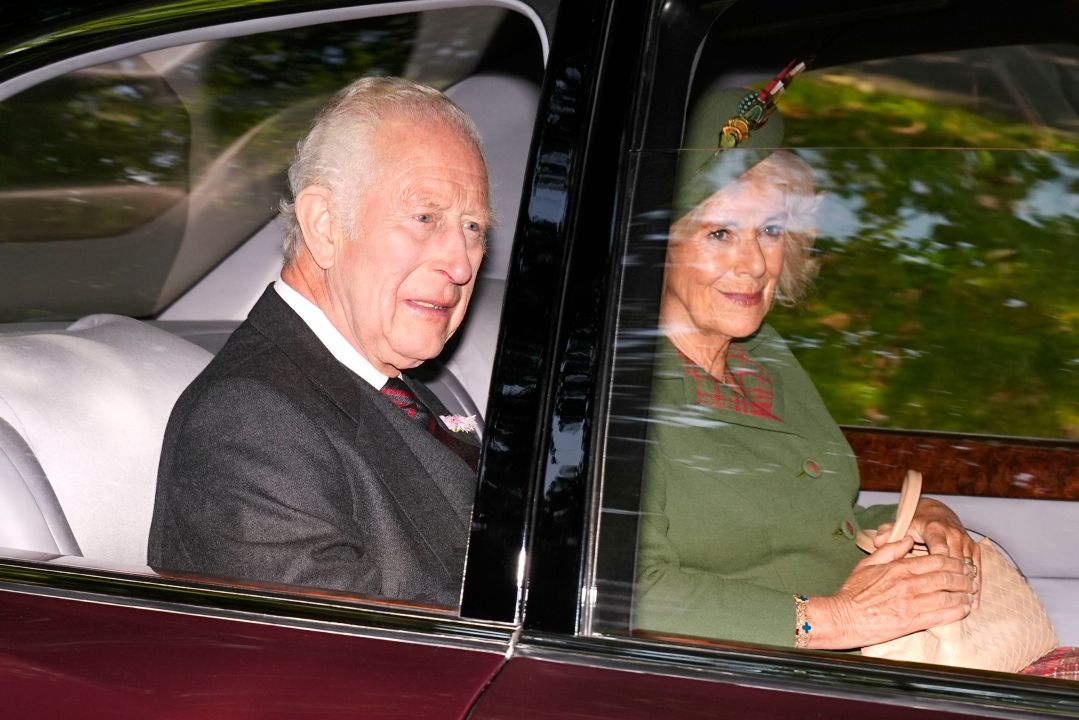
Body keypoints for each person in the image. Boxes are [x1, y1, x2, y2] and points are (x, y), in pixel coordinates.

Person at [633, 87, 980, 649]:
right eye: (719, 232)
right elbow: (623, 590)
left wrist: (919, 516)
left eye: (770, 230)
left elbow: (809, 522)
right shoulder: (622, 393)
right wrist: (836, 619)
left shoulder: (763, 356)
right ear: (658, 248)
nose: (754, 263)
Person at [148, 76, 490, 607]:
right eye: (425, 218)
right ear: (325, 226)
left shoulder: (391, 383)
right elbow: (344, 650)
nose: (461, 264)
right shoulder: (250, 423)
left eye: (473, 228)